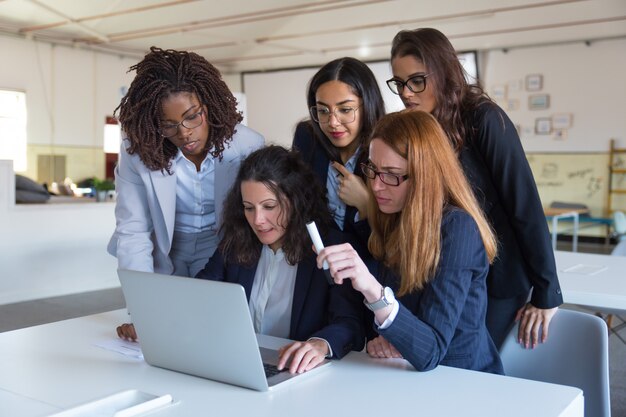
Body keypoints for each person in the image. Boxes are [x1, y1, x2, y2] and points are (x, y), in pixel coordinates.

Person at [387, 28, 562, 349]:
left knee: (468, 366)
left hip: (500, 278)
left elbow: (524, 205)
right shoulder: (421, 128)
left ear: (443, 72)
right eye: (399, 83)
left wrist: (548, 292)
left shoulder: (484, 118)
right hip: (447, 273)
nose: (406, 93)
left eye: (416, 81)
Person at [317, 110, 503, 374]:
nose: (377, 186)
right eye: (372, 169)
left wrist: (372, 289)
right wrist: (397, 338)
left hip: (464, 381)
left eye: (392, 174)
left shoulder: (458, 229)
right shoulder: (391, 214)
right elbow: (402, 329)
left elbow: (430, 351)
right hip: (408, 376)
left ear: (425, 176)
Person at [195, 145, 365, 374]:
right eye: (248, 208)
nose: (258, 220)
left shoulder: (330, 247)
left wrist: (320, 344)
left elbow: (350, 323)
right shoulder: (236, 241)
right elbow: (198, 293)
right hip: (238, 362)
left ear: (295, 200)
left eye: (269, 206)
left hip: (300, 372)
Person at [107, 47, 264, 278]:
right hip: (167, 245)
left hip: (222, 243)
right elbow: (133, 229)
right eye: (168, 124)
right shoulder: (137, 151)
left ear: (208, 107)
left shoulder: (248, 145)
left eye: (191, 117)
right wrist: (141, 296)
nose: (184, 133)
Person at [292, 57, 385, 250]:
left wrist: (367, 206)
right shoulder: (307, 138)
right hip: (316, 266)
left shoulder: (387, 150)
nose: (332, 122)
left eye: (344, 109)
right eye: (323, 110)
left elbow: (395, 242)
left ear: (367, 105)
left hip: (368, 270)